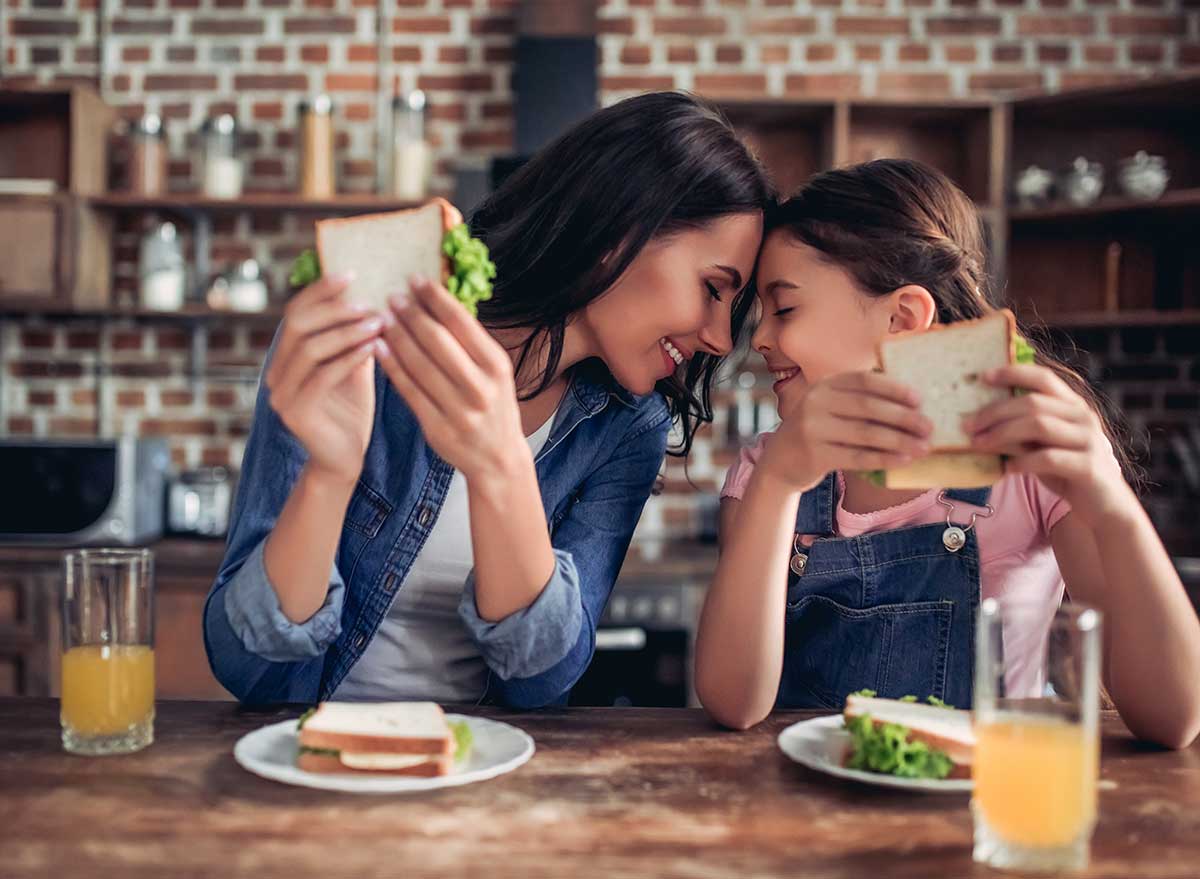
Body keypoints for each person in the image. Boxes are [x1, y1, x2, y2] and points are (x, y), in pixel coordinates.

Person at [203, 91, 771, 708]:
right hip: (311, 761)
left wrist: (499, 462)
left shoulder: (627, 427)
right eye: (713, 288)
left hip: (483, 768)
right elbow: (247, 668)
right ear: (623, 231)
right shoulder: (359, 337)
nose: (718, 337)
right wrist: (328, 476)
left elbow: (541, 682)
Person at [694, 158, 1200, 749]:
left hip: (989, 809)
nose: (757, 338)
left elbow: (1174, 717)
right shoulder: (763, 470)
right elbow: (734, 703)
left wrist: (1110, 505)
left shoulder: (1032, 465)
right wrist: (779, 483)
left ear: (902, 318)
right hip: (806, 811)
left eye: (784, 309)